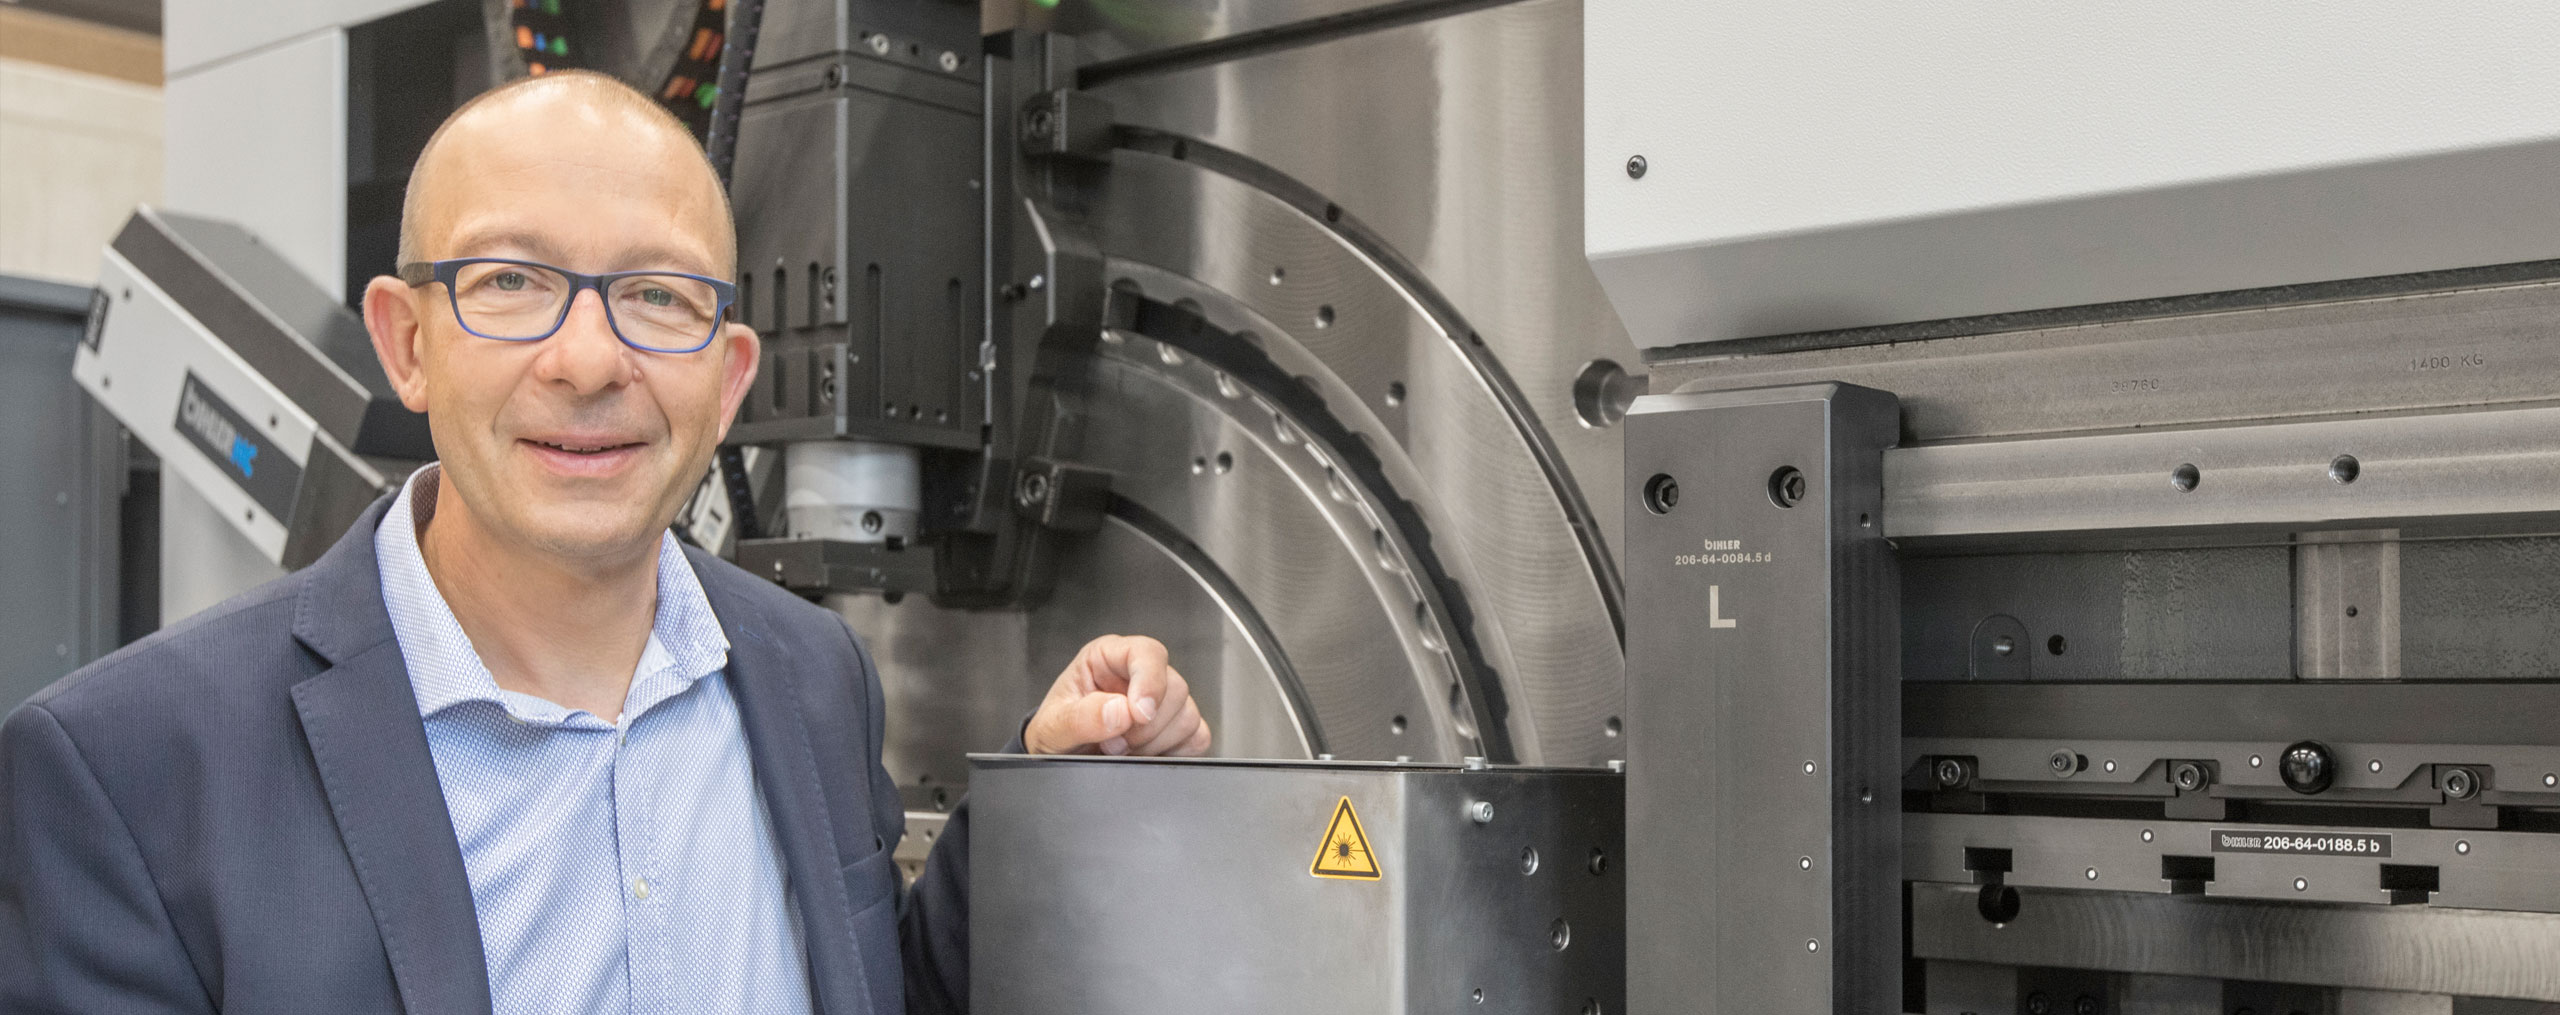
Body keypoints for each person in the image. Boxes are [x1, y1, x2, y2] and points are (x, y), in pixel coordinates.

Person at [0, 70, 1208, 1014]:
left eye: (658, 297)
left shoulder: (808, 672)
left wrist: (1048, 787)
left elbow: (876, 988)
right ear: (407, 342)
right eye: (511, 282)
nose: (587, 362)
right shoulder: (127, 771)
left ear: (728, 381)